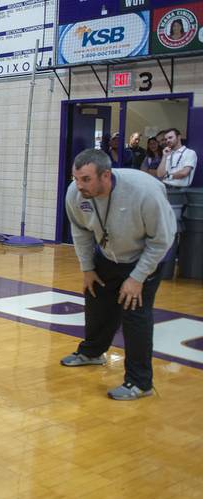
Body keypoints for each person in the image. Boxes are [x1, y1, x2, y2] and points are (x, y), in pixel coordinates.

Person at [61, 149, 176, 400]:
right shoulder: (75, 194)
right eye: (76, 178)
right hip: (107, 256)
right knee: (97, 303)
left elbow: (162, 240)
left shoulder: (144, 192)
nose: (79, 186)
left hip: (144, 257)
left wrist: (137, 278)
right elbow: (80, 231)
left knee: (135, 316)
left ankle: (140, 382)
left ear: (106, 175)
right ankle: (92, 353)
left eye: (86, 179)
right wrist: (87, 268)